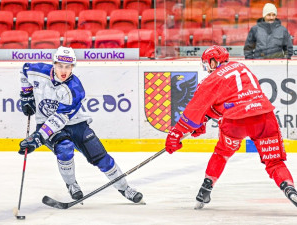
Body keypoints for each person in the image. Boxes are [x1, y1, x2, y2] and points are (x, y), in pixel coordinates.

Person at [165, 45, 297, 209]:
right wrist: (205, 118)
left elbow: (196, 108)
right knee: (275, 162)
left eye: (206, 63)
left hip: (235, 122)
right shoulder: (242, 66)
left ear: (213, 62)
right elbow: (236, 98)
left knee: (221, 153)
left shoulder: (212, 79)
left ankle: (206, 188)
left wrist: (177, 132)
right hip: (264, 117)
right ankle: (289, 188)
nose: (206, 68)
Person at [18, 46, 143, 204]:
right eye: (60, 66)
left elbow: (60, 118)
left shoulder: (75, 88)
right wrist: (26, 94)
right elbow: (23, 71)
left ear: (73, 67)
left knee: (101, 157)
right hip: (45, 122)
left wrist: (38, 137)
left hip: (75, 123)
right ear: (54, 64)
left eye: (68, 67)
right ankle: (72, 185)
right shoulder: (37, 70)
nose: (64, 70)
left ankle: (125, 188)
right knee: (64, 148)